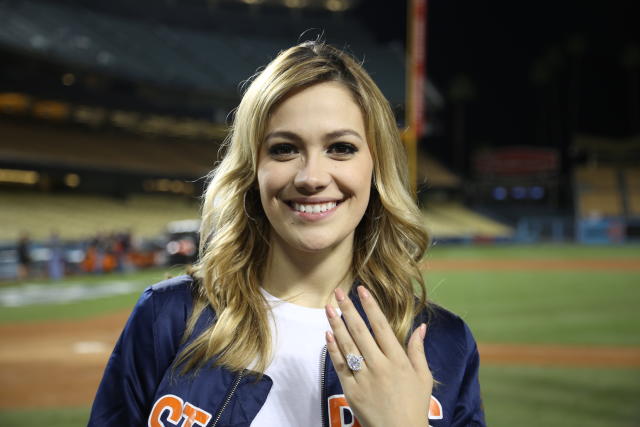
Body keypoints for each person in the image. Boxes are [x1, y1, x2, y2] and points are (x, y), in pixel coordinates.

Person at [89, 41, 485, 427]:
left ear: (376, 167)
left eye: (341, 148)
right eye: (284, 149)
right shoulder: (169, 318)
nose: (311, 177)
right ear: (252, 169)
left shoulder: (442, 343)